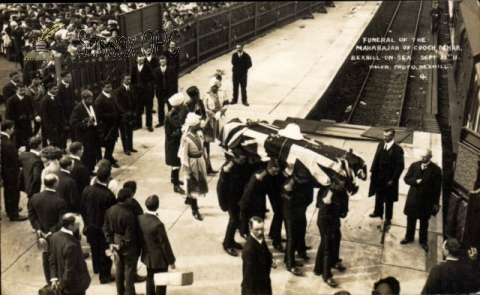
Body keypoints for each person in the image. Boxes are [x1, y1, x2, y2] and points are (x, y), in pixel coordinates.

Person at [400, 148, 442, 252]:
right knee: (411, 220)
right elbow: (406, 178)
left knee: (424, 222)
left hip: (426, 201)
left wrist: (436, 203)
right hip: (413, 199)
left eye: (425, 157)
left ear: (430, 157)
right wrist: (415, 181)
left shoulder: (436, 170)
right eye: (421, 156)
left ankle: (423, 241)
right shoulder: (414, 165)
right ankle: (409, 237)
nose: (422, 158)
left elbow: (437, 189)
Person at [80, 166, 117, 284]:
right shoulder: (109, 195)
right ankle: (105, 275)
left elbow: (82, 208)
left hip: (90, 225)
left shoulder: (87, 189)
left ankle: (96, 268)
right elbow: (111, 215)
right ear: (108, 178)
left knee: (94, 248)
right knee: (105, 252)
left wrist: (86, 222)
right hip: (102, 228)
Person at [28, 174, 66, 283]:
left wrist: (38, 228)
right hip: (55, 235)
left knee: (45, 256)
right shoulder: (60, 201)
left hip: (41, 234)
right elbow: (61, 221)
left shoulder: (34, 197)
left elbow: (32, 215)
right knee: (58, 257)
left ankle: (49, 280)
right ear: (55, 184)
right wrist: (51, 231)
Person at [218, 147, 255, 257]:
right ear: (235, 158)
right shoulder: (228, 168)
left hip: (239, 198)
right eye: (241, 160)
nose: (243, 162)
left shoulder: (242, 165)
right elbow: (220, 188)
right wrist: (223, 203)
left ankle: (231, 241)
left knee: (237, 219)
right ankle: (227, 244)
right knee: (233, 220)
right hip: (230, 199)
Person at [313, 174, 349, 288]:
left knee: (336, 238)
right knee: (327, 246)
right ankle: (326, 275)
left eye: (343, 185)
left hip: (334, 220)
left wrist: (344, 211)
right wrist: (328, 231)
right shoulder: (328, 194)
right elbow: (323, 214)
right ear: (334, 184)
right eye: (341, 186)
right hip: (325, 223)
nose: (343, 187)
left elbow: (344, 202)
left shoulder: (341, 191)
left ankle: (323, 266)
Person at [137, 195, 176, 295]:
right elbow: (165, 245)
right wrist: (171, 261)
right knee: (161, 282)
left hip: (147, 257)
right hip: (159, 259)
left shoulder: (139, 219)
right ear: (157, 206)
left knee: (150, 278)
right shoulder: (158, 224)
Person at [103, 188, 138, 295]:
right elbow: (129, 235)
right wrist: (121, 244)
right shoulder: (128, 214)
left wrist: (110, 242)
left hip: (114, 241)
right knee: (129, 271)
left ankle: (120, 292)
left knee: (118, 269)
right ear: (127, 199)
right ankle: (130, 293)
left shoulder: (110, 210)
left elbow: (105, 228)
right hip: (127, 246)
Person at [369, 128, 405, 226]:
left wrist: (393, 180)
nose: (385, 137)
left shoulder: (398, 150)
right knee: (378, 195)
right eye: (384, 135)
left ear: (393, 136)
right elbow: (376, 158)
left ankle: (388, 218)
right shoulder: (381, 144)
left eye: (387, 136)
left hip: (389, 179)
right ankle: (378, 212)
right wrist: (372, 171)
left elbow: (400, 167)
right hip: (378, 176)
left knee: (389, 199)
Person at [50, 213, 91, 295]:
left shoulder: (54, 237)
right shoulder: (72, 244)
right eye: (77, 224)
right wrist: (62, 285)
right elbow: (69, 270)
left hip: (63, 282)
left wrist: (54, 278)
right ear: (70, 226)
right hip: (74, 287)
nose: (79, 225)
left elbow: (52, 258)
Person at [283, 167, 314, 277]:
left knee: (300, 233)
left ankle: (296, 254)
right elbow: (290, 202)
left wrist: (302, 201)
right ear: (296, 178)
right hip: (290, 215)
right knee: (291, 239)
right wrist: (301, 199)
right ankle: (290, 264)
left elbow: (310, 199)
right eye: (303, 180)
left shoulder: (307, 183)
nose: (305, 182)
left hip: (301, 212)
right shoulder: (289, 185)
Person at [239, 159, 281, 238]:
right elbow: (249, 191)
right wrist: (244, 205)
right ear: (269, 168)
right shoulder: (260, 176)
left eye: (277, 171)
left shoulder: (269, 175)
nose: (276, 174)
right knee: (251, 219)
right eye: (274, 171)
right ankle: (246, 233)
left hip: (259, 200)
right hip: (251, 201)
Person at [181, 112, 209, 220]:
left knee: (199, 182)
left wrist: (205, 158)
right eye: (198, 124)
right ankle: (194, 209)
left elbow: (203, 147)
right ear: (192, 126)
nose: (200, 125)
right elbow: (184, 156)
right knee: (193, 185)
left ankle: (188, 198)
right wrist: (187, 171)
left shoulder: (199, 134)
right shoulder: (186, 139)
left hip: (200, 161)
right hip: (192, 163)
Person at [241, 216, 276, 295]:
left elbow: (265, 251)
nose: (260, 232)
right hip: (255, 289)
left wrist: (271, 259)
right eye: (257, 229)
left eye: (262, 229)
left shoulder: (259, 237)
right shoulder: (249, 250)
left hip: (264, 283)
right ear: (250, 228)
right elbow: (248, 277)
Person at [1, 120, 28, 221]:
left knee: (7, 191)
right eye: (12, 128)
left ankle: (10, 209)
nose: (13, 130)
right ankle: (14, 213)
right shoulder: (7, 143)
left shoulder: (2, 139)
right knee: (13, 192)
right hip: (11, 171)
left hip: (5, 171)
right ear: (8, 129)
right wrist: (20, 153)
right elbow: (14, 158)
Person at [70, 90, 101, 173]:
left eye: (91, 99)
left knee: (92, 152)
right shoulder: (77, 108)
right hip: (83, 135)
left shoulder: (92, 105)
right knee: (86, 153)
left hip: (93, 133)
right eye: (89, 100)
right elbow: (73, 122)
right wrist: (85, 124)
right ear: (83, 99)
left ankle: (91, 169)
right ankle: (86, 170)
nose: (91, 101)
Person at [122, 181, 147, 283]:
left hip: (121, 235)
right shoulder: (134, 205)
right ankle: (133, 276)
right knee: (133, 258)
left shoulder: (118, 202)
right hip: (134, 235)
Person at [202, 77, 228, 174]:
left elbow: (226, 104)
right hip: (210, 120)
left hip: (220, 118)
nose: (214, 89)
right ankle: (208, 163)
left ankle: (226, 156)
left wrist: (221, 112)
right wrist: (212, 114)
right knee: (207, 140)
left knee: (224, 136)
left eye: (216, 86)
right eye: (213, 87)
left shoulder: (222, 93)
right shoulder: (207, 95)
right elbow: (204, 107)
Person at [94, 80, 121, 168]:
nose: (110, 88)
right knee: (109, 144)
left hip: (114, 125)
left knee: (112, 143)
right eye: (107, 87)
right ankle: (108, 161)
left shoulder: (112, 95)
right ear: (102, 88)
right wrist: (112, 115)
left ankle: (109, 158)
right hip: (106, 127)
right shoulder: (99, 100)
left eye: (110, 87)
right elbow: (98, 115)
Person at [165, 92, 186, 194]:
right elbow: (177, 129)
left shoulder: (174, 113)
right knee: (176, 163)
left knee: (175, 163)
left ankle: (174, 179)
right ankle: (176, 185)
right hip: (174, 143)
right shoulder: (173, 115)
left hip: (173, 142)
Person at [5, 82, 35, 149]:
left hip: (27, 125)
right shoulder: (11, 100)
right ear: (16, 90)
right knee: (17, 144)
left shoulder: (28, 98)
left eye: (24, 90)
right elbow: (8, 115)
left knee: (28, 142)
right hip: (17, 126)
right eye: (21, 90)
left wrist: (31, 116)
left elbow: (32, 109)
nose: (23, 92)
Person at [115, 73, 138, 156]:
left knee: (130, 131)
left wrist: (134, 111)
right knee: (124, 133)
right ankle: (125, 149)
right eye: (127, 79)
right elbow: (118, 104)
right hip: (123, 115)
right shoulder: (118, 91)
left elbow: (135, 100)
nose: (129, 81)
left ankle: (130, 147)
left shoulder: (132, 88)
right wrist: (123, 114)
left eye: (129, 79)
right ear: (123, 80)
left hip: (131, 114)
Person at [131, 54, 155, 132]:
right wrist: (134, 87)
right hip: (138, 92)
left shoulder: (148, 68)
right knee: (138, 108)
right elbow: (132, 79)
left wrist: (149, 87)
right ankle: (138, 124)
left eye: (142, 60)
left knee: (148, 109)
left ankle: (149, 125)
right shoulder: (134, 68)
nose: (141, 61)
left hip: (146, 92)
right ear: (136, 60)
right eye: (139, 60)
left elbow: (153, 78)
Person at [41, 82, 67, 149]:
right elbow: (45, 116)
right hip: (52, 125)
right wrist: (50, 127)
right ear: (49, 89)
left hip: (58, 123)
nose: (57, 90)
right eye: (55, 89)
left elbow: (60, 110)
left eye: (57, 88)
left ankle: (62, 149)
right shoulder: (45, 100)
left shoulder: (56, 97)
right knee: (54, 141)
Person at [154, 55, 177, 128]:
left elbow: (174, 81)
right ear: (159, 62)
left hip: (169, 92)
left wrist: (175, 92)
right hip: (160, 92)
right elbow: (155, 82)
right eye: (161, 62)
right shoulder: (156, 70)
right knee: (160, 107)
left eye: (164, 61)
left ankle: (171, 120)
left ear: (166, 61)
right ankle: (161, 121)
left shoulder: (171, 69)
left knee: (170, 106)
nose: (162, 63)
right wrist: (157, 92)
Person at [19, 136, 44, 200]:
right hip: (33, 189)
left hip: (26, 185)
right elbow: (37, 177)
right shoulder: (37, 161)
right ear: (39, 146)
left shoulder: (23, 155)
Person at [57, 70, 76, 143]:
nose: (70, 78)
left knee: (73, 128)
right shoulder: (60, 88)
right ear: (63, 78)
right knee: (65, 130)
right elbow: (60, 103)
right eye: (68, 77)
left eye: (70, 76)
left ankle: (74, 144)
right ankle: (63, 147)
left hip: (71, 111)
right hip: (64, 112)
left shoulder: (70, 86)